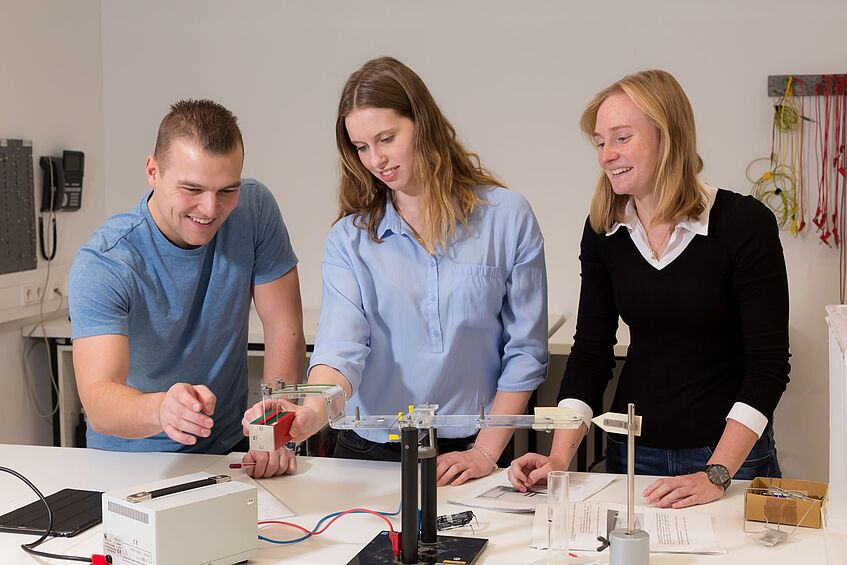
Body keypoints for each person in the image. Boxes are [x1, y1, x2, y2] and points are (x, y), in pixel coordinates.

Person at [508, 70, 790, 508]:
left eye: (621, 138)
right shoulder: (604, 230)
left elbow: (768, 367)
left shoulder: (743, 224)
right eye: (600, 142)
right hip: (634, 452)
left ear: (668, 137)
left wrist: (716, 473)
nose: (606, 155)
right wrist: (559, 457)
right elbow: (590, 354)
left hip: (730, 460)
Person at [263, 56, 548, 486]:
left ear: (422, 123)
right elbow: (340, 348)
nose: (376, 159)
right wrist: (312, 409)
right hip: (366, 453)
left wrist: (485, 453)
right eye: (361, 147)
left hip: (471, 451)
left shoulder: (507, 217)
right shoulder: (350, 239)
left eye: (386, 138)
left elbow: (525, 352)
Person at [69, 99, 305, 478]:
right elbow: (99, 398)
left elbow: (284, 328)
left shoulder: (255, 209)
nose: (210, 209)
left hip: (227, 451)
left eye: (227, 190)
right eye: (192, 189)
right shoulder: (107, 261)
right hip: (129, 460)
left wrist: (273, 430)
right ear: (152, 171)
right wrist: (161, 409)